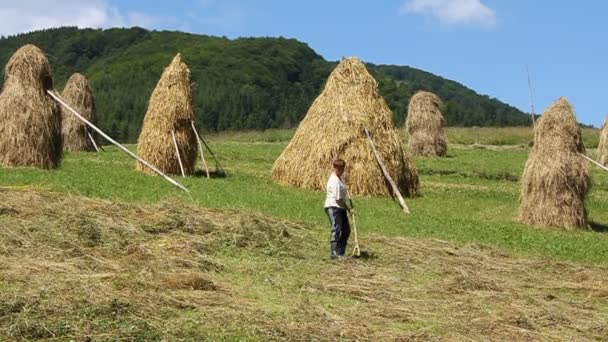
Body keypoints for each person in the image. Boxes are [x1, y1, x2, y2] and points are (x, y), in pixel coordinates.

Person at [324, 158, 351, 259]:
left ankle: (341, 252)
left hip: (341, 207)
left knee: (346, 230)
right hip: (333, 206)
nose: (341, 170)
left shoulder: (341, 178)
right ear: (334, 168)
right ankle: (334, 253)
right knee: (337, 229)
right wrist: (348, 208)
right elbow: (338, 199)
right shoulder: (334, 180)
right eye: (338, 168)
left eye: (342, 168)